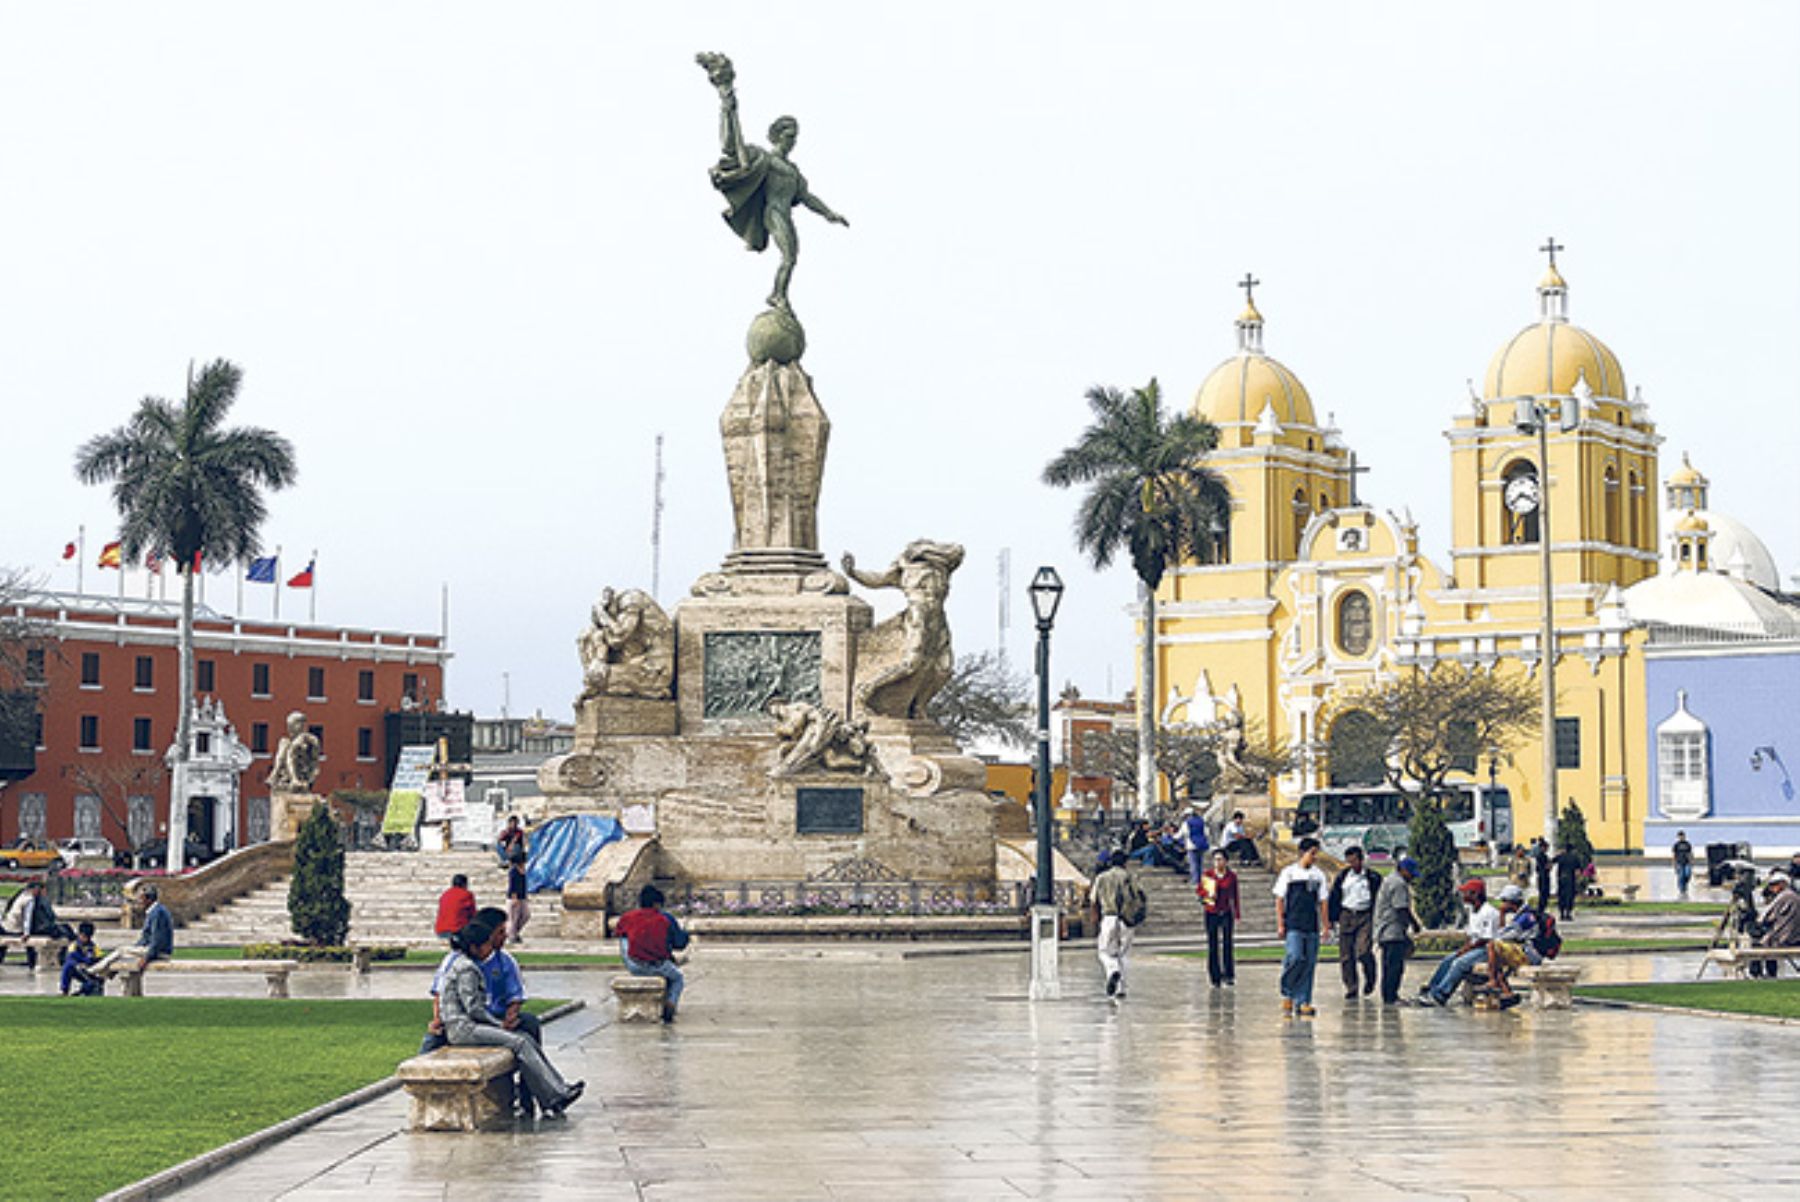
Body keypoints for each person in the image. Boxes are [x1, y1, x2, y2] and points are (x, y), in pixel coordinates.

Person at [438, 917, 583, 1115]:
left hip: (471, 1026)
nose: (491, 949)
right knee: (519, 1043)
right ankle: (554, 1096)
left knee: (525, 1038)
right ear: (474, 948)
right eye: (487, 945)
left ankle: (556, 1092)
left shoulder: (469, 964)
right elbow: (473, 1009)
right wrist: (499, 1025)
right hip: (464, 1030)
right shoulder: (466, 969)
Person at [422, 908, 543, 1112]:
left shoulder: (505, 960)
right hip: (465, 1020)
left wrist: (509, 1018)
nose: (504, 937)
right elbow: (440, 994)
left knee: (530, 1025)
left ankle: (527, 1091)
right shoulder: (455, 961)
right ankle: (421, 1090)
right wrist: (437, 1020)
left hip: (495, 1015)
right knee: (431, 1041)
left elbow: (515, 996)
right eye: (500, 933)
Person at [616, 884, 692, 1023]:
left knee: (624, 938)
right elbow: (679, 943)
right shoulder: (664, 920)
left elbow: (621, 934)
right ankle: (671, 1003)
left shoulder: (627, 918)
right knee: (677, 978)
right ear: (656, 904)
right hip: (657, 964)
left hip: (633, 963)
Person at [1420, 880, 1502, 1006]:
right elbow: (1471, 936)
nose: (1463, 896)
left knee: (1460, 963)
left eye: (1466, 893)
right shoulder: (1473, 911)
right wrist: (1464, 948)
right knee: (1448, 959)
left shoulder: (1489, 912)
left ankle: (1441, 995)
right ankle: (1431, 989)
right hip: (1475, 947)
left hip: (1488, 950)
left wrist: (1467, 950)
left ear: (1475, 894)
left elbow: (1486, 938)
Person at [1274, 837, 1331, 1017]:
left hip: (1311, 924)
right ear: (1302, 853)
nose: (1314, 857)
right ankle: (1288, 991)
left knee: (1309, 963)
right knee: (1295, 957)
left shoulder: (1318, 875)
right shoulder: (1288, 873)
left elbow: (1323, 902)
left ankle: (1304, 1000)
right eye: (1312, 853)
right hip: (1294, 924)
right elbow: (1280, 899)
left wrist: (1326, 926)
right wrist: (1281, 923)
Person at [1328, 846, 1382, 1000]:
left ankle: (1370, 976)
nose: (1352, 864)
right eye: (1349, 861)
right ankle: (1351, 986)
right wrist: (1332, 919)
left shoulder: (1372, 877)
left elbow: (1379, 896)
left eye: (1354, 861)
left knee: (1363, 950)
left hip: (1365, 915)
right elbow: (1335, 896)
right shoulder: (1343, 877)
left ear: (1361, 859)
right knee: (1346, 955)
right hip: (1347, 914)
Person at [1090, 851, 1140, 999]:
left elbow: (1093, 900)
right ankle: (1121, 988)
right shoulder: (1130, 877)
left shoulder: (1102, 878)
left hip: (1109, 916)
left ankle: (1112, 971)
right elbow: (1139, 897)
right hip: (1127, 919)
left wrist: (1095, 918)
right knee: (1123, 953)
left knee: (1105, 952)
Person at [1374, 857, 1421, 1004]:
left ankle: (1388, 995)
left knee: (1388, 965)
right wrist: (1414, 924)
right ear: (1403, 870)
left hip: (1385, 929)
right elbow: (1401, 908)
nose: (1412, 877)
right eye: (1411, 874)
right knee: (1395, 966)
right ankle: (1391, 996)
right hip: (1392, 930)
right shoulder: (1398, 883)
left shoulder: (1390, 879)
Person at [1199, 850, 1240, 987]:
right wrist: (1208, 894)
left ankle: (1229, 974)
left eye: (1221, 859)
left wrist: (1237, 912)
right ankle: (1215, 975)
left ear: (1226, 861)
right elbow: (1200, 890)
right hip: (1211, 911)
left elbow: (1235, 895)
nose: (1218, 862)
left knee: (1228, 943)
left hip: (1226, 911)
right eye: (1216, 860)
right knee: (1213, 944)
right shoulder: (1208, 875)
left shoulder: (1231, 876)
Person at [1752, 875, 1800, 978]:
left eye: (1774, 885)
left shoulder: (1785, 896)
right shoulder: (1792, 895)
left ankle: (1766, 975)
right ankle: (1769, 974)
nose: (1771, 888)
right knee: (1766, 940)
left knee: (1759, 943)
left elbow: (1766, 917)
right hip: (1793, 934)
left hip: (1787, 937)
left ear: (1782, 884)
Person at [60, 922, 104, 997]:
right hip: (77, 968)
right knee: (67, 966)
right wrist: (81, 962)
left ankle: (82, 991)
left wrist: (89, 963)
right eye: (82, 936)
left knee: (92, 983)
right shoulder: (74, 945)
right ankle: (65, 990)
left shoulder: (93, 947)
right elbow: (70, 957)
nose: (83, 939)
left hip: (89, 971)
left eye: (86, 937)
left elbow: (99, 958)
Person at [435, 873, 476, 941]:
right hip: (457, 929)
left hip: (441, 928)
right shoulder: (466, 894)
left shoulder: (445, 894)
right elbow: (472, 913)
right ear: (464, 884)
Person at [1179, 808, 1211, 886]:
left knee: (1193, 864)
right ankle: (1200, 880)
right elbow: (1207, 833)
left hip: (1191, 845)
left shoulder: (1186, 823)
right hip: (1202, 844)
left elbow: (1182, 834)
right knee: (1200, 864)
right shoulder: (1202, 821)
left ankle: (1195, 880)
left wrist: (1173, 837)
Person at [1553, 843, 1583, 922]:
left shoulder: (1561, 856)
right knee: (1570, 896)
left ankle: (1562, 913)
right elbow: (1578, 870)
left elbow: (1552, 861)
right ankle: (1568, 913)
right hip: (1570, 879)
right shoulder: (1574, 858)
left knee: (1561, 895)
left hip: (1561, 878)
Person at [506, 849, 530, 944]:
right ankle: (512, 935)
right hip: (515, 897)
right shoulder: (513, 871)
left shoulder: (523, 870)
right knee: (514, 918)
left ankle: (515, 932)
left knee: (525, 915)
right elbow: (513, 884)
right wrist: (514, 897)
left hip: (522, 896)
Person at [1532, 838, 1552, 912]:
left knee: (1545, 894)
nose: (1547, 849)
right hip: (1543, 877)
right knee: (1543, 894)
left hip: (1544, 876)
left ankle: (1542, 909)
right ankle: (1540, 909)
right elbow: (1541, 868)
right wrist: (1548, 866)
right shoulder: (1540, 856)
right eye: (1546, 847)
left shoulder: (1544, 856)